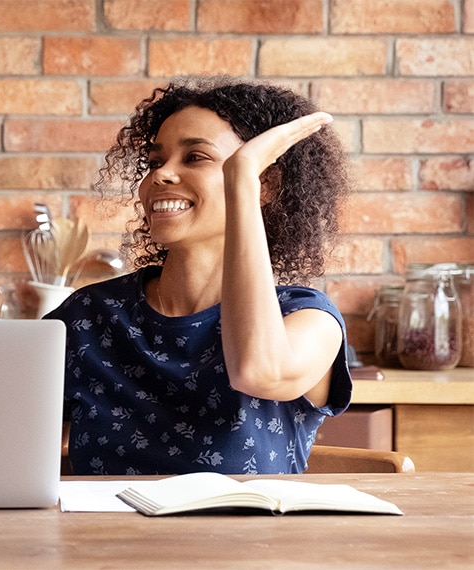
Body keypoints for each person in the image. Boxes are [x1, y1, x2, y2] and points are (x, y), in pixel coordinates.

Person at [42, 79, 353, 475]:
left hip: (248, 539)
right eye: (156, 161)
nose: (161, 175)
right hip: (102, 537)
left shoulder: (309, 319)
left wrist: (242, 176)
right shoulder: (91, 314)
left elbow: (259, 371)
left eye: (195, 158)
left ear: (266, 185)